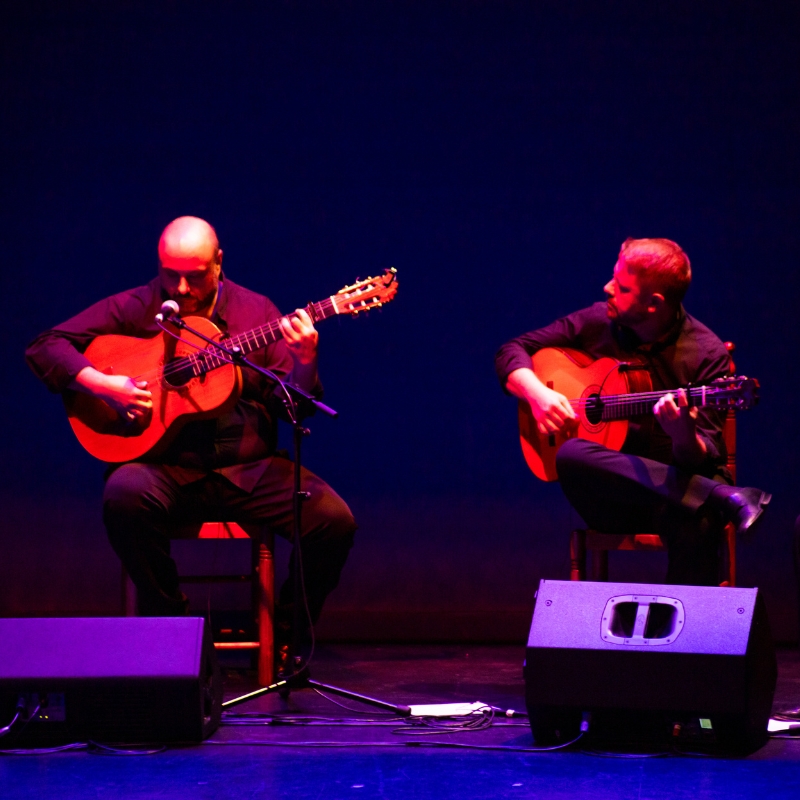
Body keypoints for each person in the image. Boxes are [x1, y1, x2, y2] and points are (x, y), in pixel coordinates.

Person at [26, 216, 357, 672]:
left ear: (219, 263)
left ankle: (288, 635)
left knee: (333, 521)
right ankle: (178, 633)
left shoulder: (257, 313)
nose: (181, 288)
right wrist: (104, 385)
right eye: (170, 275)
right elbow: (45, 346)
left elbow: (294, 407)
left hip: (248, 468)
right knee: (123, 496)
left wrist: (304, 363)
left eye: (195, 276)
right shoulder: (138, 305)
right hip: (166, 469)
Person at [495, 237, 770, 585]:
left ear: (654, 303)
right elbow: (512, 350)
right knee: (571, 454)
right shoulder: (598, 321)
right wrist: (537, 395)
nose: (607, 288)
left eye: (622, 287)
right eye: (614, 277)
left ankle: (672, 634)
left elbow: (704, 455)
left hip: (677, 495)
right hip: (616, 499)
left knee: (699, 520)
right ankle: (722, 496)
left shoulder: (707, 354)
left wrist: (684, 436)